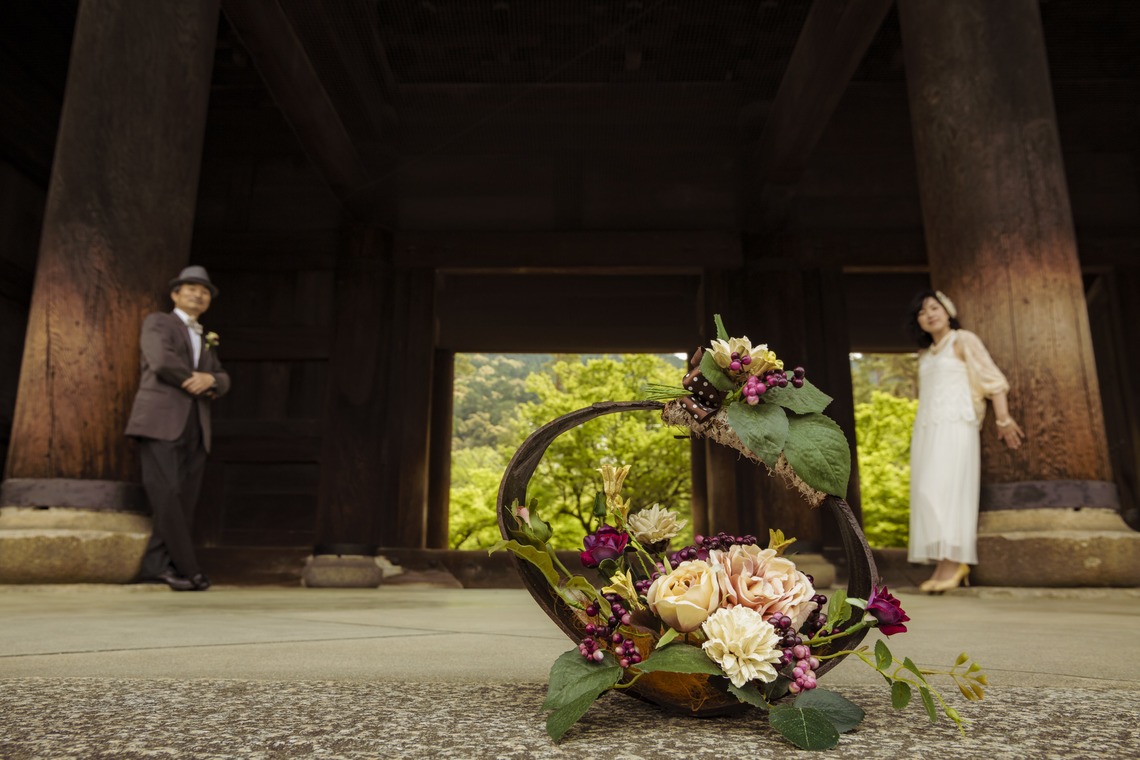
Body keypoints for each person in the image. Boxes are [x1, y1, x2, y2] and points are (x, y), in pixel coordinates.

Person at [906, 289, 1024, 593]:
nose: (930, 314)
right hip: (927, 427)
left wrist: (1003, 418)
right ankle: (943, 561)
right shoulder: (925, 354)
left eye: (935, 307)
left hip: (957, 423)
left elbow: (992, 380)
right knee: (926, 492)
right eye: (922, 311)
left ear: (948, 311)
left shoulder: (963, 340)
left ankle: (952, 563)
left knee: (950, 490)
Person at [126, 265, 230, 591]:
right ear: (175, 294)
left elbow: (223, 376)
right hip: (160, 421)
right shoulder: (159, 322)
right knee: (167, 493)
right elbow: (160, 360)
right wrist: (195, 380)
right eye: (191, 288)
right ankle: (189, 568)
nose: (198, 295)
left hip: (196, 427)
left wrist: (211, 380)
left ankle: (156, 567)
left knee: (183, 499)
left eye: (204, 291)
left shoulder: (205, 337)